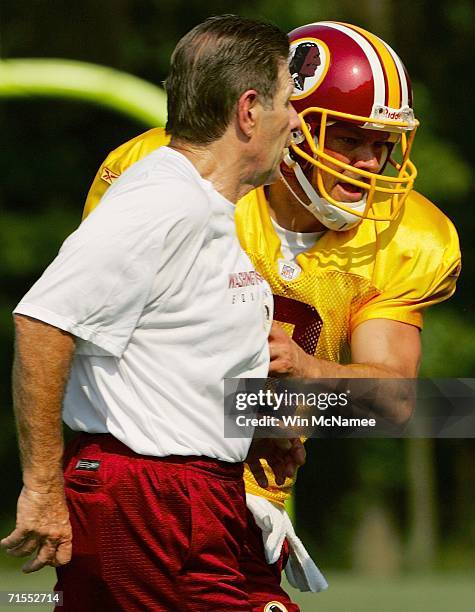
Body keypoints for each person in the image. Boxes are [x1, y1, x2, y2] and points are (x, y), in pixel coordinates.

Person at [80, 21, 461, 612]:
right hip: (147, 492)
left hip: (247, 508)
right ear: (288, 119)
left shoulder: (408, 236)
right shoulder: (171, 175)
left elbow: (395, 402)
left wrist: (301, 381)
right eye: (350, 138)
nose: (370, 162)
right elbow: (105, 354)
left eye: (382, 142)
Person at [0, 15, 304, 612]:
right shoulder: (163, 201)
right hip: (147, 503)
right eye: (289, 102)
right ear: (248, 110)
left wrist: (262, 424)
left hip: (184, 500)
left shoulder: (207, 208)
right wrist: (41, 488)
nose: (295, 121)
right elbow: (42, 320)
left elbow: (178, 361)